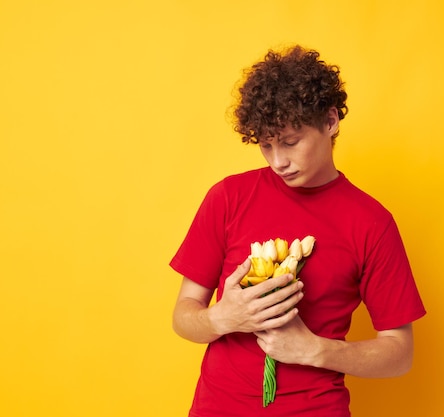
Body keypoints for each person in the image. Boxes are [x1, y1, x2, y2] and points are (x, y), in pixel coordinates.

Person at [170, 45, 426, 417]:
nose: (279, 162)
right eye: (266, 146)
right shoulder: (228, 197)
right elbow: (182, 316)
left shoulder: (372, 223)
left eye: (291, 142)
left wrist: (314, 349)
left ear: (330, 121)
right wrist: (221, 318)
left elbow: (400, 353)